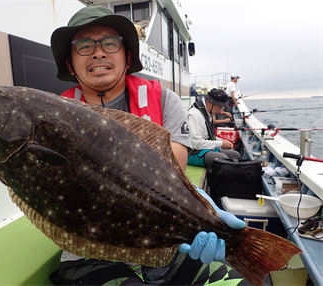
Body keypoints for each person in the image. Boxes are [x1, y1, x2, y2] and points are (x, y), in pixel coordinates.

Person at [49, 6, 247, 285]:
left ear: (127, 54)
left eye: (109, 43)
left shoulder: (165, 101)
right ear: (70, 63)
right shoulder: (54, 115)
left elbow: (173, 181)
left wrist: (202, 209)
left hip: (165, 241)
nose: (97, 52)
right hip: (90, 252)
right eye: (83, 45)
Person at [187, 88, 241, 167]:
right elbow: (196, 144)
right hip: (193, 153)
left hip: (204, 149)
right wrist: (221, 143)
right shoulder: (194, 114)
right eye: (219, 107)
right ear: (209, 102)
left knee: (235, 155)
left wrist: (222, 141)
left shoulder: (208, 113)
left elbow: (209, 136)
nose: (220, 111)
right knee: (223, 159)